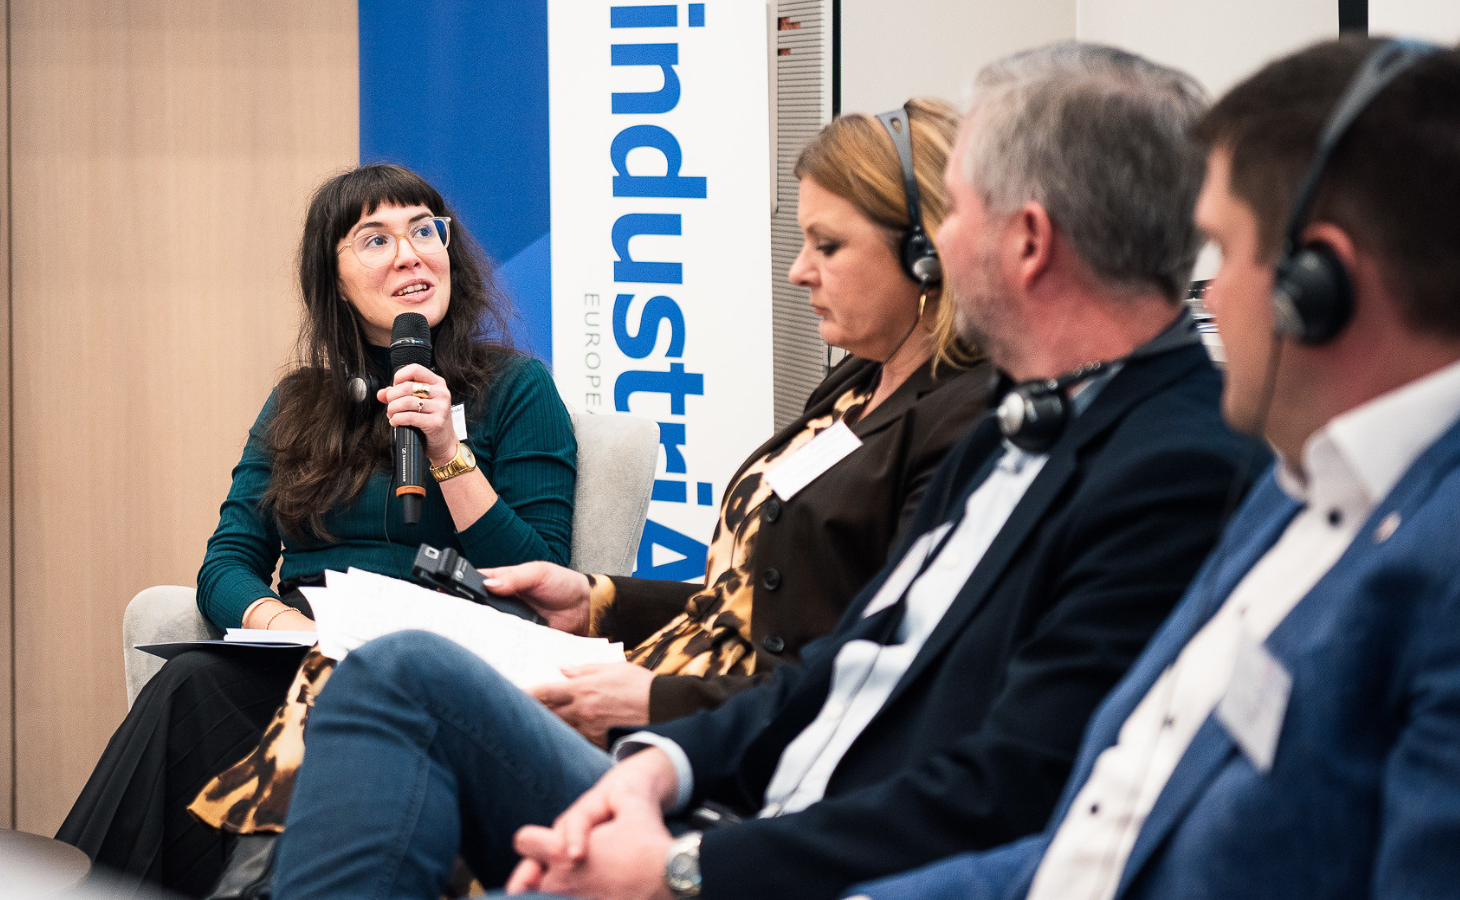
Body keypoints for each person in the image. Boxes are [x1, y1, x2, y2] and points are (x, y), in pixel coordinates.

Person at [268, 45, 1259, 900]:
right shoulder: (1031, 419)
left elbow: (1005, 785)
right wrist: (662, 764)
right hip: (740, 788)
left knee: (399, 676)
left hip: (783, 846)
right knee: (388, 677)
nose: (801, 269)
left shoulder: (1163, 466)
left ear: (1026, 242)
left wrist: (686, 863)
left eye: (954, 212)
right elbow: (856, 661)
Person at [847, 36, 1460, 900]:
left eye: (1225, 251)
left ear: (1318, 286)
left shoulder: (1434, 567)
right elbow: (1085, 848)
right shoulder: (1294, 488)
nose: (1207, 296)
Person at [55, 163, 578, 896]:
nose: (409, 255)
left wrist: (446, 454)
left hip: (439, 663)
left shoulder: (517, 389)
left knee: (324, 697)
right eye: (375, 239)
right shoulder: (299, 402)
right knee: (189, 684)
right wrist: (286, 625)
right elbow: (227, 564)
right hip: (305, 647)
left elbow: (542, 575)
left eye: (424, 231)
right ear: (334, 281)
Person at [485, 97, 991, 744]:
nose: (799, 271)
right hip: (663, 707)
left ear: (928, 253)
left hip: (714, 749)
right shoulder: (857, 380)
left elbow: (869, 681)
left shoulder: (967, 424)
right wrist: (597, 600)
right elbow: (754, 606)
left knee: (409, 676)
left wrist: (653, 702)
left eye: (828, 246)